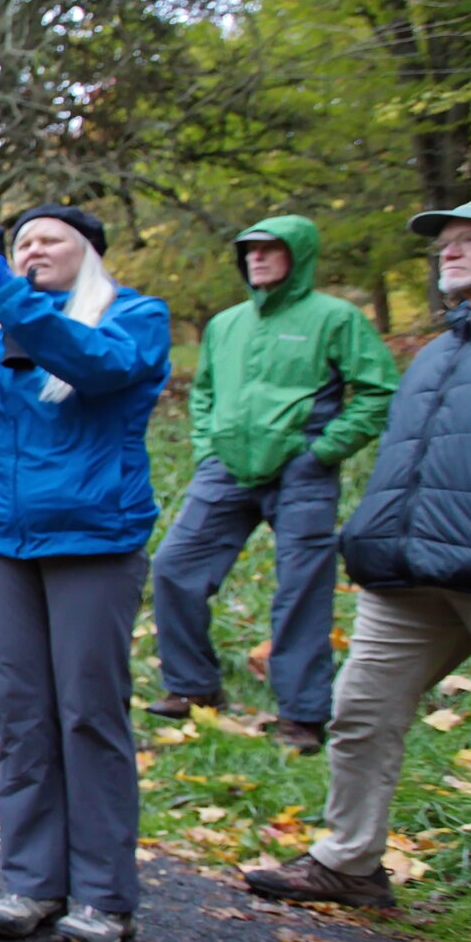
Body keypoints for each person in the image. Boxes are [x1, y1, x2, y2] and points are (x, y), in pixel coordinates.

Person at [245, 194, 471, 942]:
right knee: (359, 712)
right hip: (411, 568)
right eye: (444, 241)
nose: (448, 250)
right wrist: (374, 528)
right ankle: (349, 862)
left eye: (470, 239)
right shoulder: (442, 345)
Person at [0, 202, 171, 942]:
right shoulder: (1, 326)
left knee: (90, 713)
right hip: (3, 536)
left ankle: (102, 894)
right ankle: (32, 880)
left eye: (47, 241)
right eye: (20, 241)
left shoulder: (133, 316)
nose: (30, 250)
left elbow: (92, 365)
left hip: (94, 538)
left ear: (89, 253)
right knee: (21, 712)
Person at [148, 216, 399, 751]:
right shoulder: (226, 324)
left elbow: (378, 390)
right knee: (175, 567)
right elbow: (204, 391)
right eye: (249, 251)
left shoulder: (335, 318)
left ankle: (303, 714)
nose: (257, 259)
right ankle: (192, 686)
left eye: (270, 250)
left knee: (301, 588)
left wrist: (325, 450)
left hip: (302, 471)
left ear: (298, 255)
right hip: (226, 468)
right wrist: (207, 446)